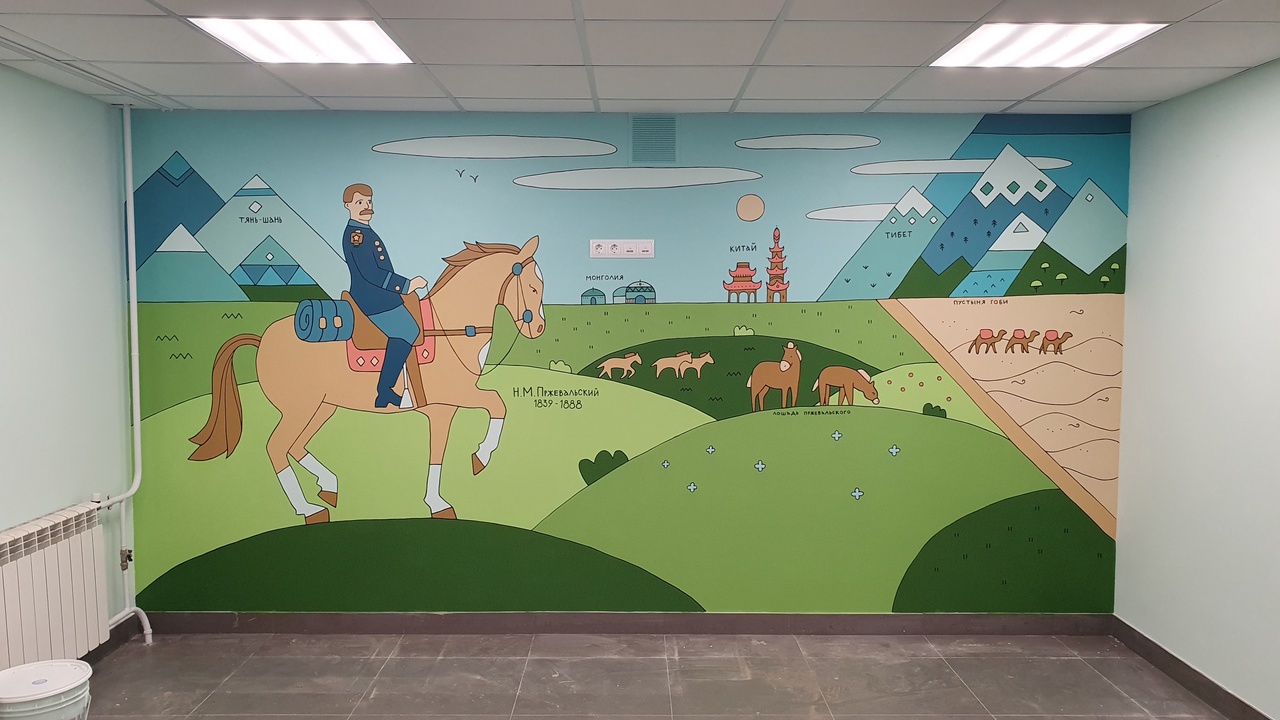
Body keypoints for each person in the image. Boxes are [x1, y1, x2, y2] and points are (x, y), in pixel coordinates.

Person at [340, 183, 427, 408]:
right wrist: (407, 285)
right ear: (347, 205)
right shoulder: (357, 236)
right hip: (371, 297)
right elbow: (372, 273)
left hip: (382, 294)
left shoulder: (366, 231)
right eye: (360, 202)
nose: (366, 206)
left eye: (369, 201)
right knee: (409, 330)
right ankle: (385, 390)